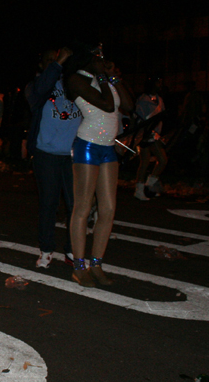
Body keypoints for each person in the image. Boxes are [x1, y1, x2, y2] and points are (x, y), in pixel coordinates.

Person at [65, 44, 133, 287]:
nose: (102, 60)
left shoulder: (105, 80)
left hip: (108, 148)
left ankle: (96, 264)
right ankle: (78, 266)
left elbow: (128, 105)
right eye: (98, 56)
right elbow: (106, 105)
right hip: (87, 146)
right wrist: (103, 77)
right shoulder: (76, 79)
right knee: (82, 207)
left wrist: (114, 78)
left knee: (108, 208)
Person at [25, 47, 79, 268]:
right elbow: (38, 93)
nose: (57, 63)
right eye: (50, 60)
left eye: (59, 60)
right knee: (49, 203)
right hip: (46, 154)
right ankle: (46, 250)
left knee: (75, 205)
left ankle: (72, 250)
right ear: (42, 65)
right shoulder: (36, 86)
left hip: (73, 155)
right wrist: (57, 65)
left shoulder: (73, 83)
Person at [133, 76, 168, 200]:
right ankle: (143, 188)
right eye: (158, 83)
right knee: (152, 160)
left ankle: (147, 186)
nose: (160, 85)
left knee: (149, 161)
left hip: (155, 133)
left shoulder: (159, 99)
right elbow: (139, 117)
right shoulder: (143, 100)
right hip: (145, 134)